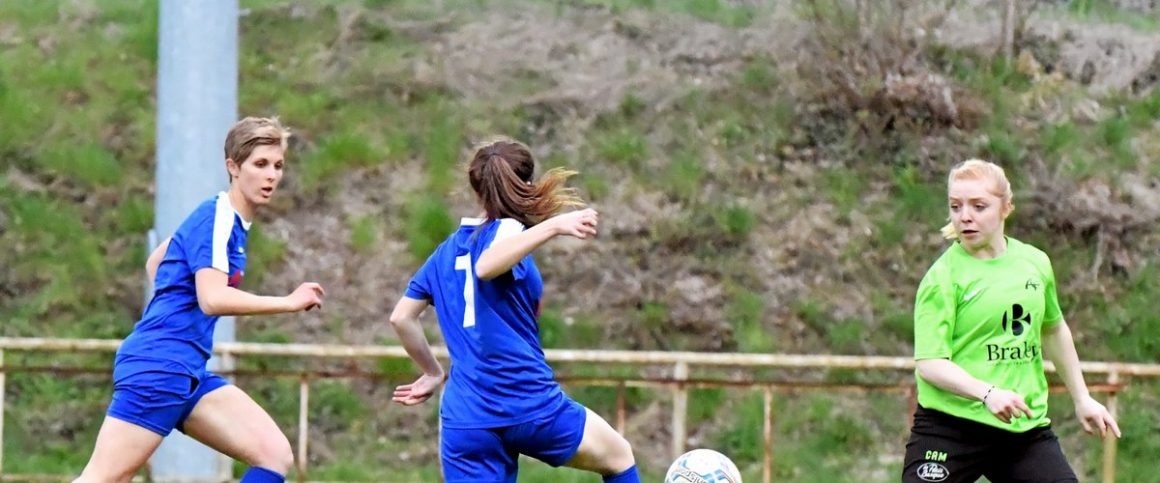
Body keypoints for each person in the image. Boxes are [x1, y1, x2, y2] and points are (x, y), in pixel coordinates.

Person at [75, 117, 325, 483]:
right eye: (260, 164)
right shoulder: (218, 217)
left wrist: (175, 303)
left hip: (188, 372)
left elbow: (157, 262)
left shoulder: (228, 221)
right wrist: (287, 302)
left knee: (273, 454)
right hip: (159, 368)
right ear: (233, 167)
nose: (271, 175)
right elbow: (212, 299)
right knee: (102, 478)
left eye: (277, 165)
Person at [387, 137, 640, 483]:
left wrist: (432, 373)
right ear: (526, 185)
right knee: (619, 456)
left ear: (476, 189)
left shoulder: (444, 252)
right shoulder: (507, 229)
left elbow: (401, 318)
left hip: (467, 417)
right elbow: (486, 265)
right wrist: (554, 225)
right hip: (527, 403)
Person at [901, 159, 1121, 483]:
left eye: (978, 206)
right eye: (955, 206)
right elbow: (931, 364)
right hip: (950, 427)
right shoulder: (942, 278)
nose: (965, 216)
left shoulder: (1034, 263)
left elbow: (1053, 329)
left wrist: (1082, 397)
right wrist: (988, 394)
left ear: (1006, 208)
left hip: (1020, 429)